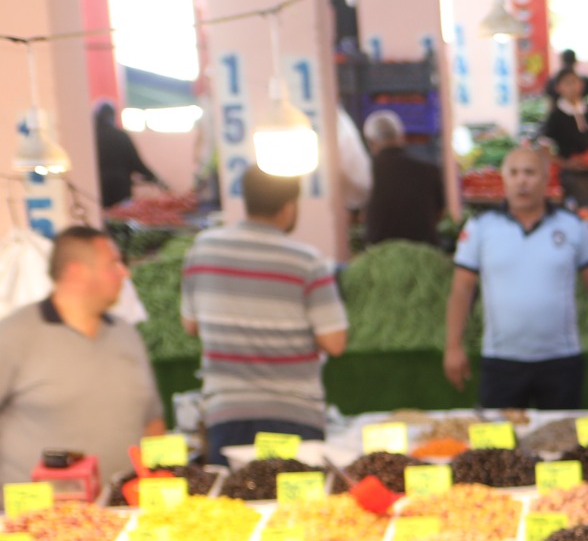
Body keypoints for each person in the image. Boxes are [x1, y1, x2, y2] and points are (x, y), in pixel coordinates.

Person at [443, 144, 588, 408]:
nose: (522, 180)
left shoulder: (573, 226)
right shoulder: (480, 228)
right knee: (498, 445)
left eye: (530, 172)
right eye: (514, 172)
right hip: (501, 361)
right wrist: (453, 345)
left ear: (546, 179)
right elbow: (462, 290)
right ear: (504, 178)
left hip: (561, 359)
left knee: (561, 444)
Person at [180, 168, 348, 452]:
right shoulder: (307, 261)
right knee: (296, 497)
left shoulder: (202, 250)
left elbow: (190, 325)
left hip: (226, 412)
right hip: (294, 413)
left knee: (235, 496)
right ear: (288, 208)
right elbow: (335, 342)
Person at [0, 227, 163, 487]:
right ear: (76, 272)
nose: (125, 273)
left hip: (125, 509)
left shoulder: (126, 334)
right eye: (113, 264)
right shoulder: (13, 335)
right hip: (40, 518)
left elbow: (152, 421)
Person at [361, 111, 448, 247]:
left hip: (381, 254)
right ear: (402, 137)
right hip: (424, 251)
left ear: (371, 143)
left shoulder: (368, 171)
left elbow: (360, 211)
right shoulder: (429, 170)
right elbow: (440, 211)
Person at [541, 72, 588, 211]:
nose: (573, 87)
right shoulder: (556, 115)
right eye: (568, 83)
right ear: (559, 88)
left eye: (575, 82)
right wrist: (565, 164)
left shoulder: (587, 110)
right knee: (579, 207)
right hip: (569, 173)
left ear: (581, 85)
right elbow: (544, 146)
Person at [91, 102, 161, 211]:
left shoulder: (92, 138)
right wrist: (155, 178)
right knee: (121, 220)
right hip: (121, 190)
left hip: (99, 189)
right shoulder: (121, 136)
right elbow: (136, 163)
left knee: (104, 220)